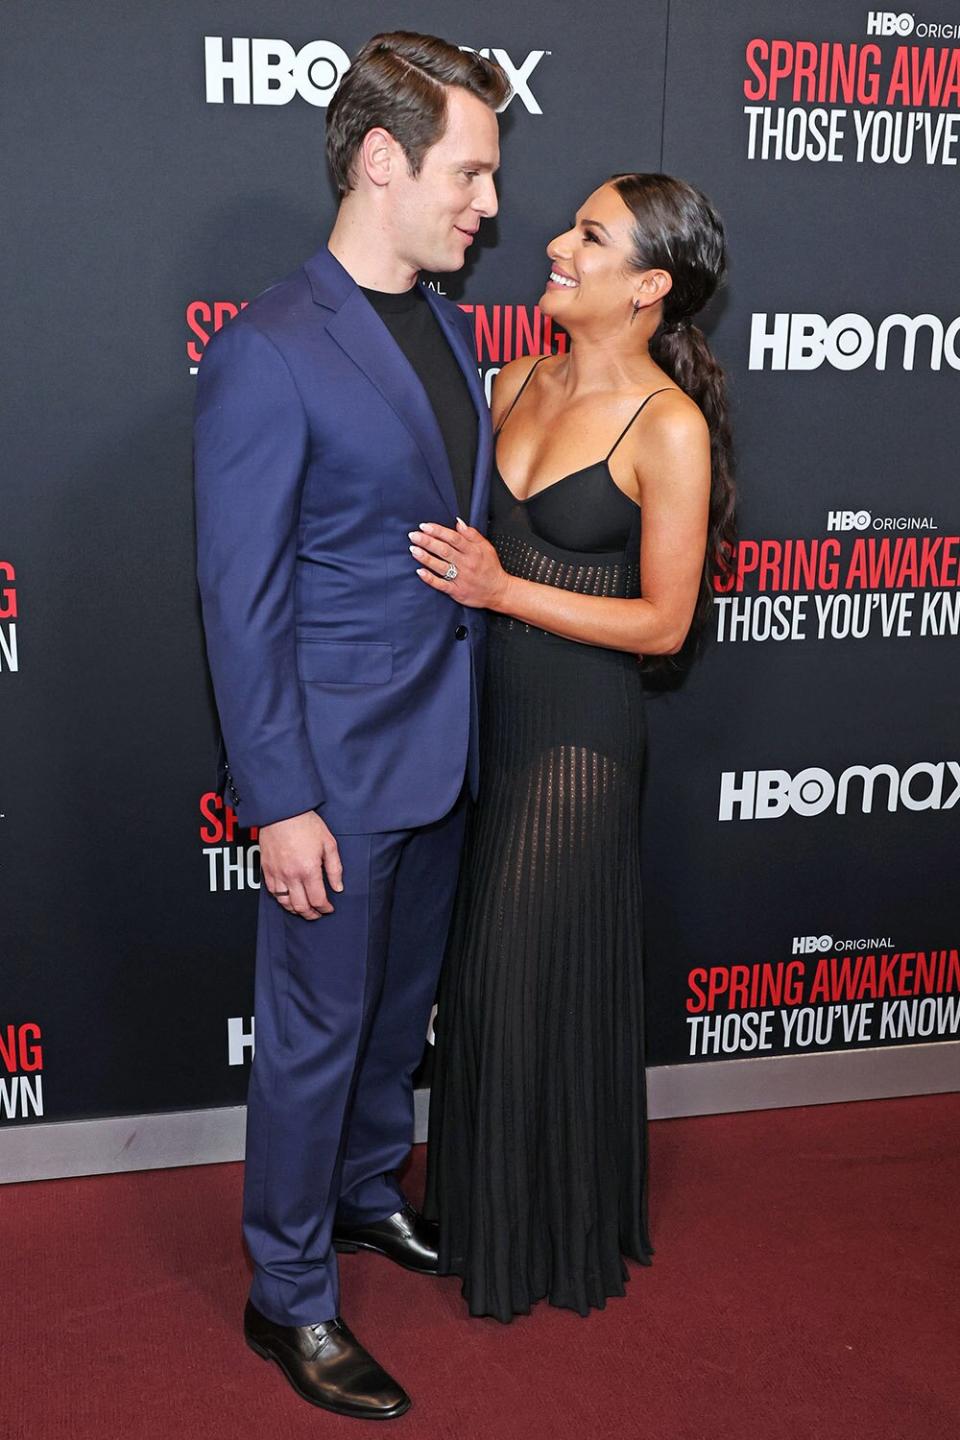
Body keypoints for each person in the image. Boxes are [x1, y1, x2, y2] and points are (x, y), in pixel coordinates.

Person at [193, 32, 508, 1418]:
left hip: (441, 747)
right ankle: (288, 1293)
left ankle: (371, 1191)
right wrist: (281, 799)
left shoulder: (449, 325)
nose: (490, 206)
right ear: (384, 162)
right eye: (472, 172)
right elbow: (240, 597)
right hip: (330, 770)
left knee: (394, 1019)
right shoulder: (268, 352)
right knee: (313, 1034)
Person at [419, 173, 736, 1322]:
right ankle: (490, 1208)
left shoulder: (670, 427)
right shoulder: (508, 378)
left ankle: (536, 1240)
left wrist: (506, 588)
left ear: (650, 286)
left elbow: (664, 625)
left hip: (580, 751)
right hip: (481, 733)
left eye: (589, 236)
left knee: (512, 974)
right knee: (486, 986)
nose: (552, 243)